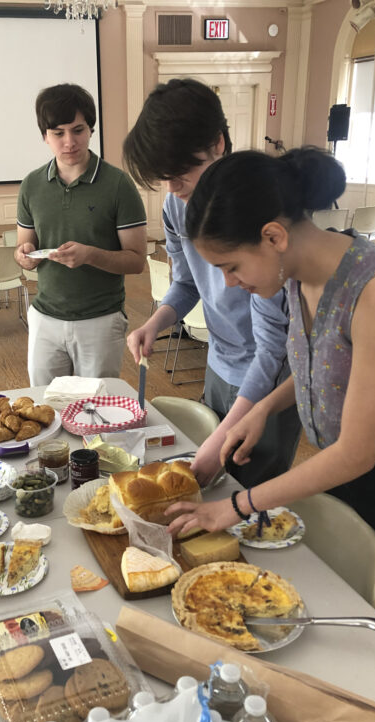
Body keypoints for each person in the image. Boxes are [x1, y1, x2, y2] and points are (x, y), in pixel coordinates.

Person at [166, 147, 375, 637]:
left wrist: (236, 505)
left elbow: (357, 453)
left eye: (232, 266)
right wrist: (264, 408)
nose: (229, 284)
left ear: (273, 236)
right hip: (340, 473)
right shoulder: (296, 277)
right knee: (335, 605)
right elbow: (327, 365)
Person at [123, 79, 302, 488]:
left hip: (269, 378)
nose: (172, 188)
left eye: (181, 172)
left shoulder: (261, 213)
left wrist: (223, 437)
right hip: (219, 364)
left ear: (218, 144)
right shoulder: (176, 202)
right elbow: (186, 283)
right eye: (162, 177)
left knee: (249, 496)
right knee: (212, 485)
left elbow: (273, 347)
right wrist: (156, 323)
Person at [15, 83, 147, 385]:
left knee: (96, 411)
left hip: (100, 319)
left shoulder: (118, 185)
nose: (69, 142)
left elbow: (137, 261)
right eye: (58, 133)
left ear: (91, 129)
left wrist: (90, 255)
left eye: (78, 130)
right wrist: (24, 255)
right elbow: (26, 244)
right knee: (45, 411)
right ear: (44, 136)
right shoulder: (31, 185)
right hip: (45, 316)